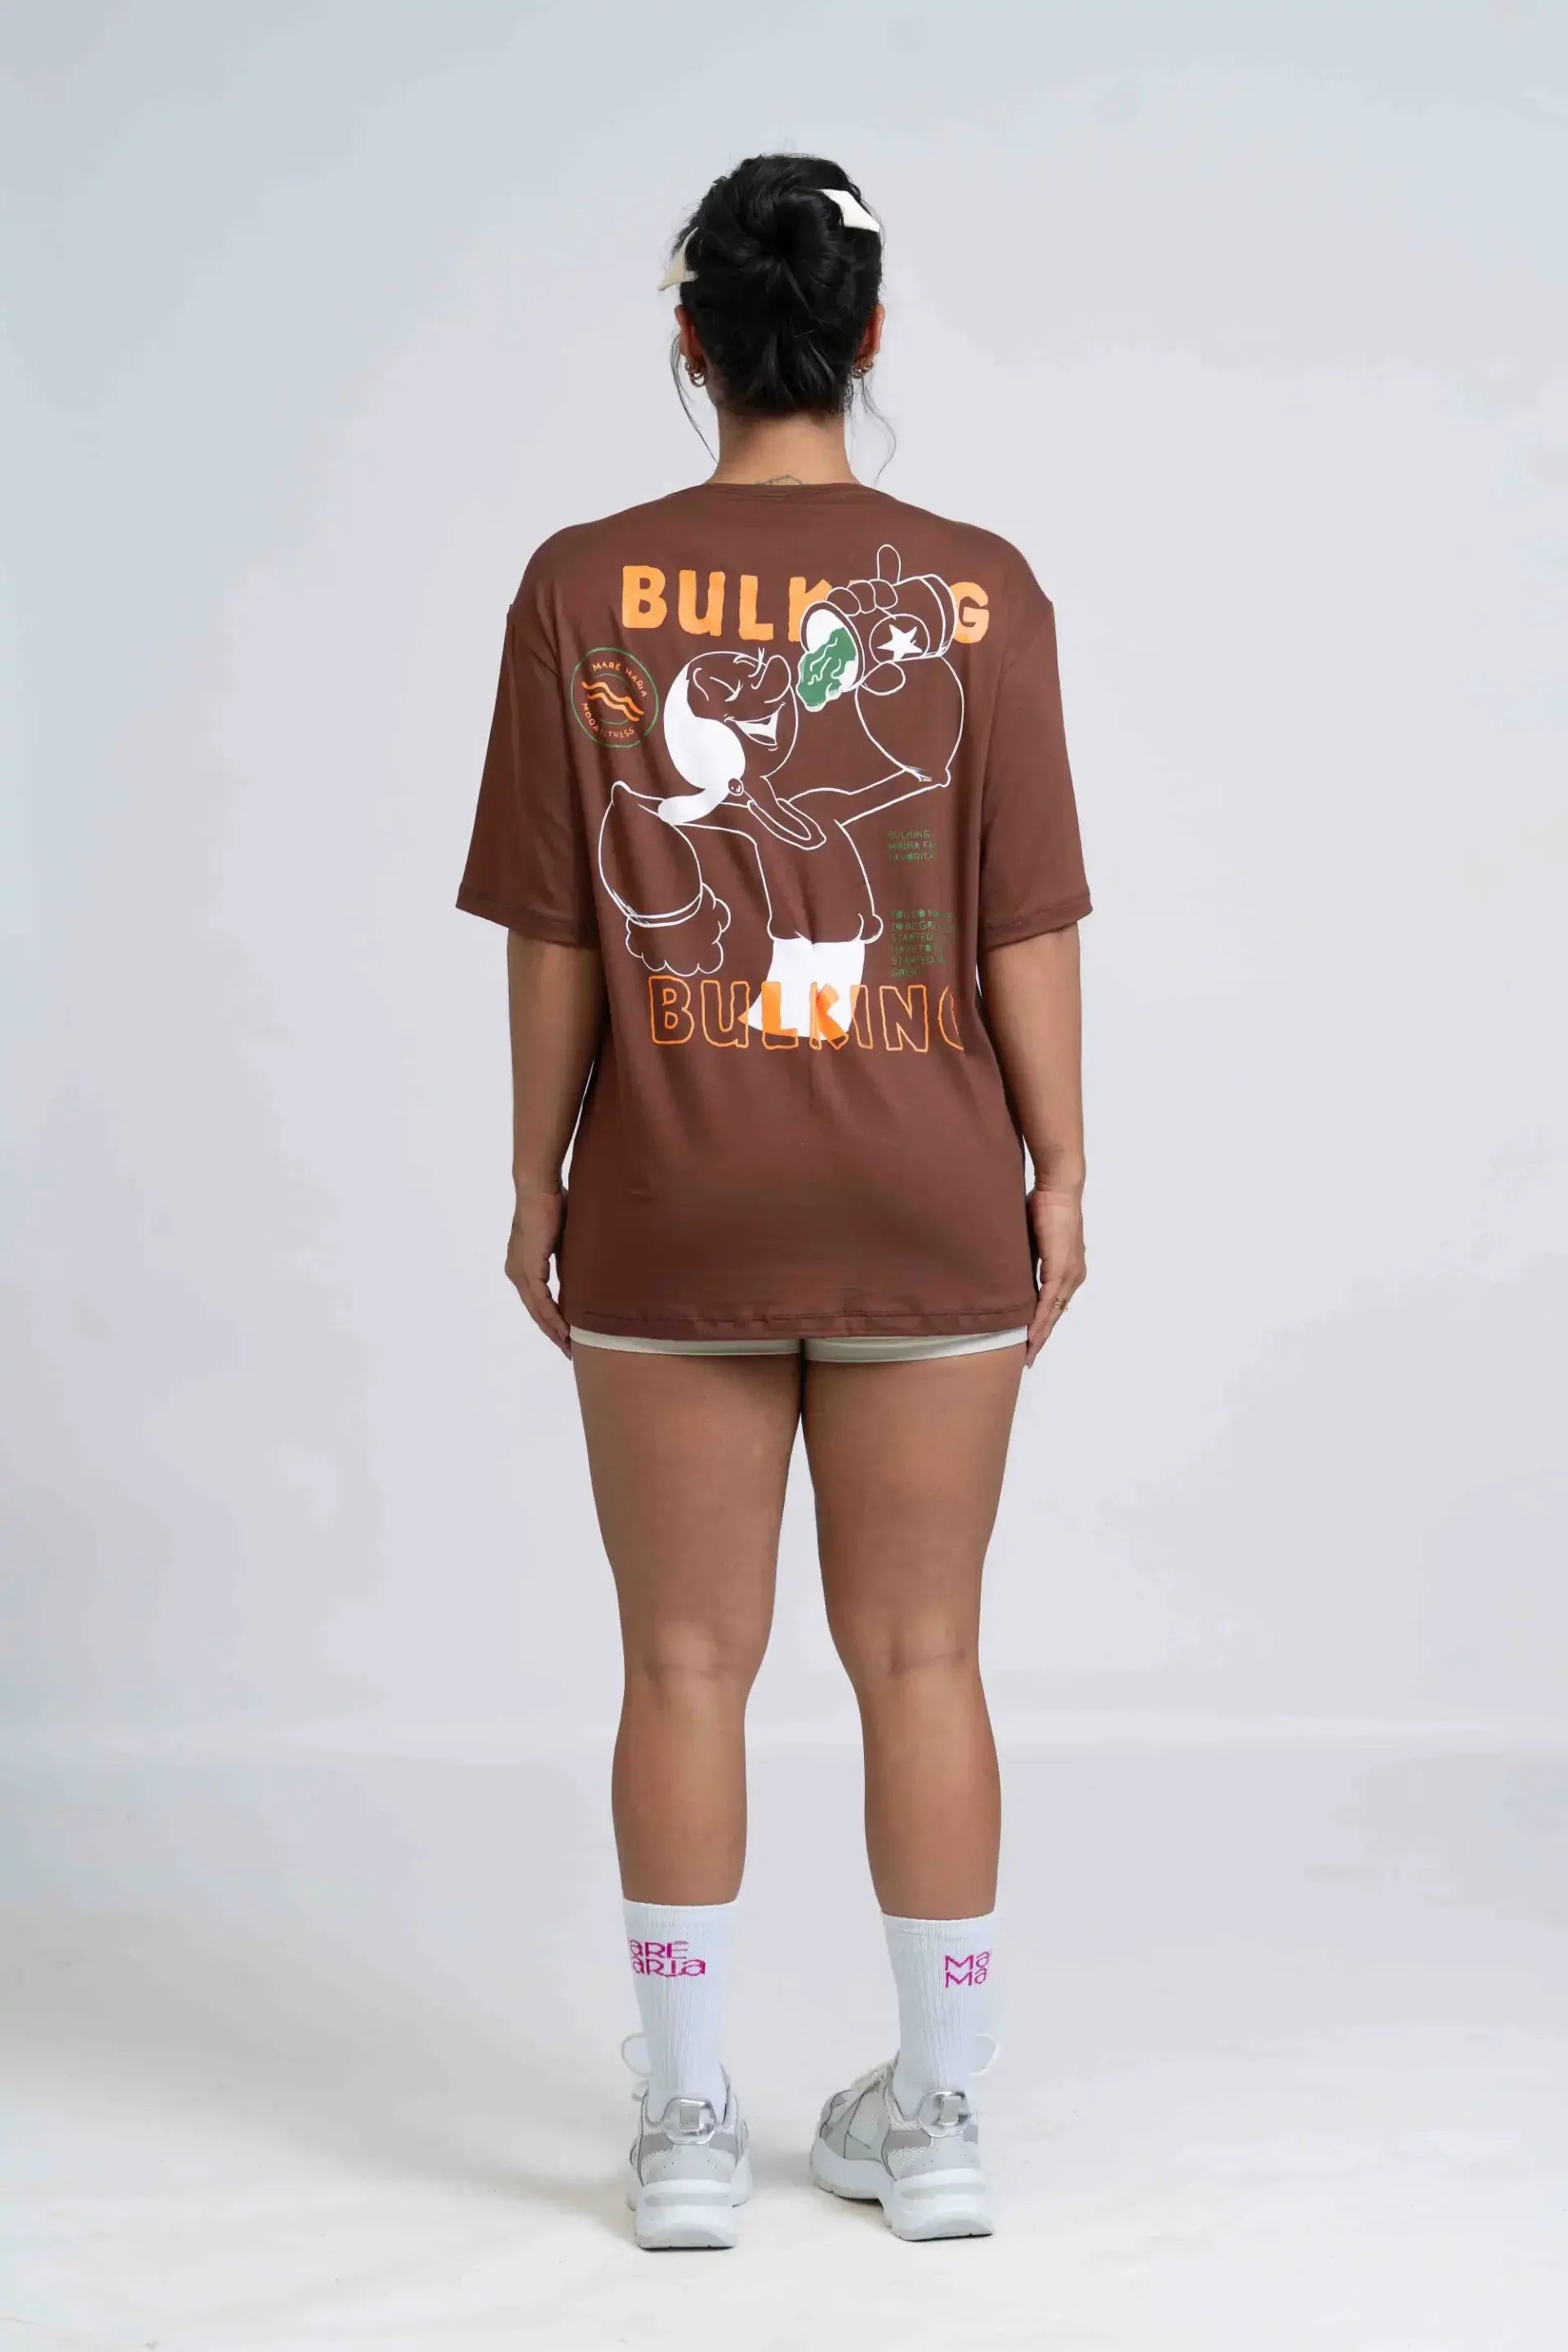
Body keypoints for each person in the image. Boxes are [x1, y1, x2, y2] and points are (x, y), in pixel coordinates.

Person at [457, 153, 1090, 2250]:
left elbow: (558, 923)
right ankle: (943, 2118)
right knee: (925, 1655)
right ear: (870, 334)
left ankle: (689, 2130)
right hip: (928, 1195)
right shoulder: (984, 590)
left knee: (681, 1664)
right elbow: (1024, 915)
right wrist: (1061, 1168)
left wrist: (539, 1171)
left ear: (693, 339)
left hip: (676, 1195)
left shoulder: (581, 586)